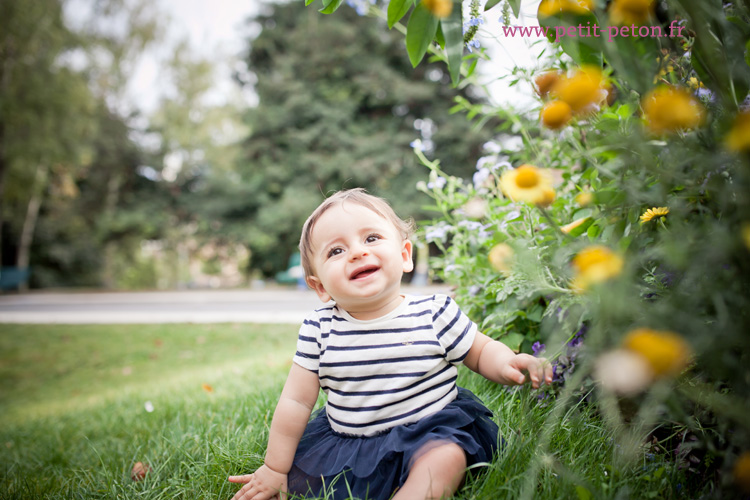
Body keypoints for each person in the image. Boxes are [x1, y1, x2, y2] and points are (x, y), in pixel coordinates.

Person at [228, 188, 552, 500]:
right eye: (336, 251)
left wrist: (506, 361)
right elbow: (296, 402)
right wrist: (274, 467)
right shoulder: (320, 328)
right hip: (352, 444)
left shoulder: (433, 312)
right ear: (320, 287)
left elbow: (479, 351)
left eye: (371, 238)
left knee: (445, 459)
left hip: (430, 431)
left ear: (404, 255)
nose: (357, 252)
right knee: (304, 478)